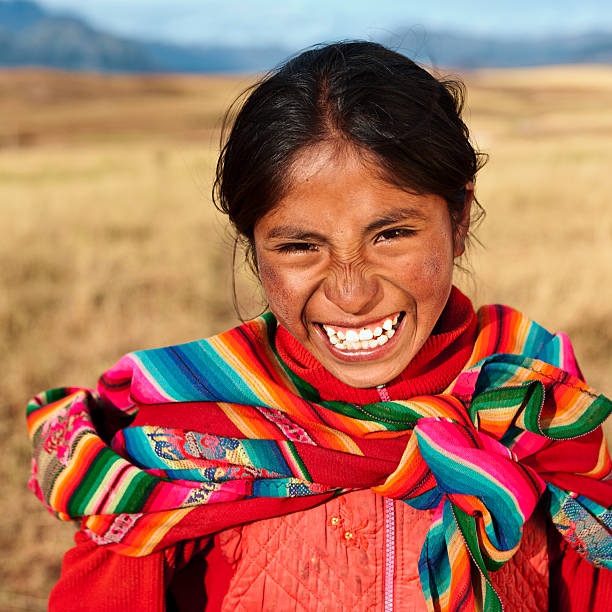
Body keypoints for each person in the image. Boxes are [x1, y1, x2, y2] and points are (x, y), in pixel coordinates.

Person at [27, 41, 611, 612]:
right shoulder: (181, 442)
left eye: (391, 235)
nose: (351, 294)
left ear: (458, 219)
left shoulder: (534, 402)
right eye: (301, 246)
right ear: (254, 249)